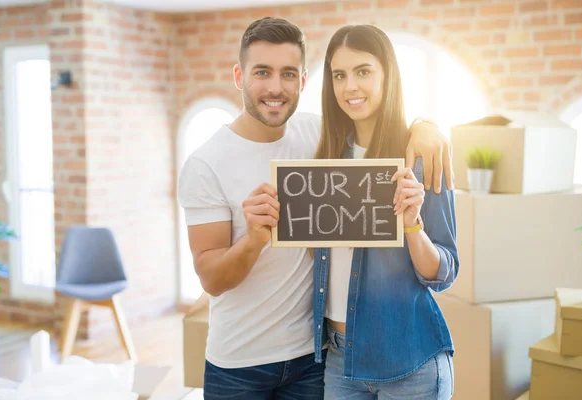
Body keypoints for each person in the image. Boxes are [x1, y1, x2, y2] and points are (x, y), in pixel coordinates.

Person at [177, 17, 453, 400]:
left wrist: (426, 126)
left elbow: (444, 269)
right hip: (261, 362)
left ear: (302, 82)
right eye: (262, 72)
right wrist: (255, 238)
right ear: (239, 76)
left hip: (318, 359)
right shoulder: (213, 162)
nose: (276, 87)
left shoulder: (325, 140)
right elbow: (211, 278)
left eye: (288, 74)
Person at [311, 25, 459, 399]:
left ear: (387, 75)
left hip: (408, 362)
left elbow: (443, 271)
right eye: (339, 75)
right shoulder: (325, 162)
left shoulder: (420, 157)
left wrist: (412, 226)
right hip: (339, 361)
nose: (350, 87)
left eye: (363, 71)